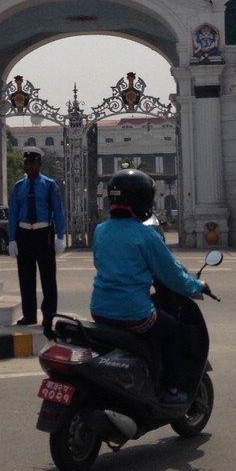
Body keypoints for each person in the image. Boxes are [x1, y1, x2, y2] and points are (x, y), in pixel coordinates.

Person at [90, 169, 208, 405]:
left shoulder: (100, 231)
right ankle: (172, 389)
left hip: (100, 310)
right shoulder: (146, 236)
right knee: (172, 329)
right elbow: (174, 277)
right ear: (143, 200)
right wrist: (198, 286)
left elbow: (101, 263)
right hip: (133, 313)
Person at [7, 147, 66, 331]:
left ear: (39, 164)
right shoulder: (18, 187)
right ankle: (29, 314)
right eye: (26, 162)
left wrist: (60, 236)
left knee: (48, 277)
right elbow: (13, 214)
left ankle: (49, 315)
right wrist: (12, 239)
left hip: (43, 233)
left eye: (32, 162)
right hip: (24, 233)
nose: (29, 166)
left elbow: (58, 211)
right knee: (26, 277)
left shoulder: (49, 185)